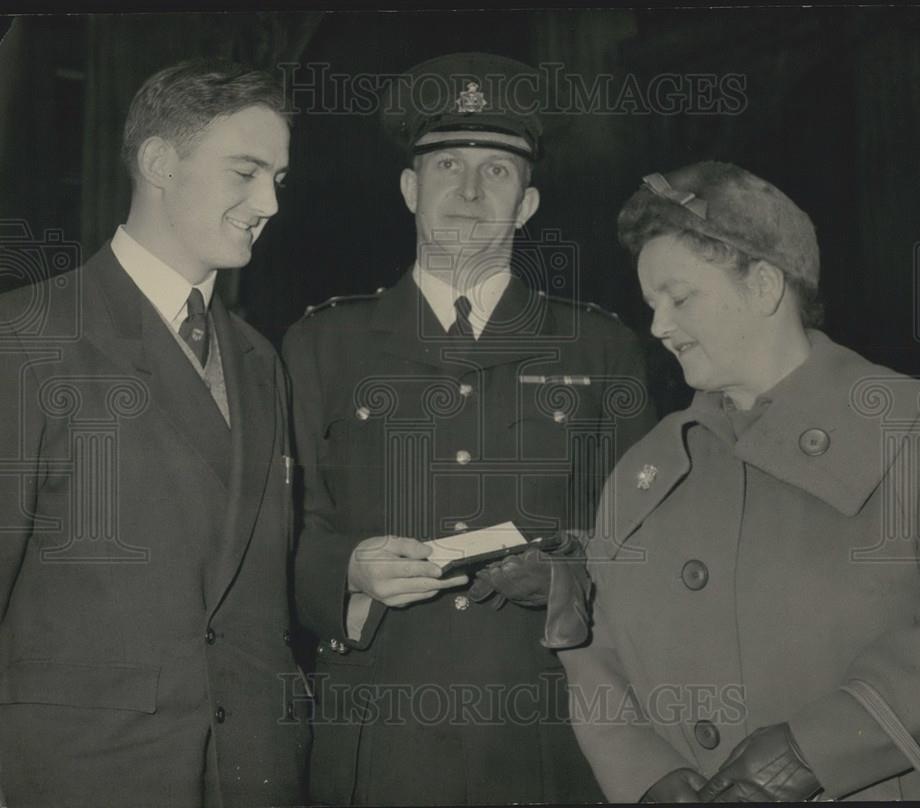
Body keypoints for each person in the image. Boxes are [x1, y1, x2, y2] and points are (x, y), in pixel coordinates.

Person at [559, 161, 920, 802]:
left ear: (764, 286)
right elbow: (595, 651)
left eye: (680, 299)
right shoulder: (647, 467)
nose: (658, 327)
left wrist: (817, 748)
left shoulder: (910, 427)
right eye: (652, 305)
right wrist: (645, 776)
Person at [283, 52, 657, 806]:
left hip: (543, 734)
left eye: (497, 171)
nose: (469, 190)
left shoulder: (599, 348)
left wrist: (564, 581)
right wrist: (347, 570)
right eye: (448, 164)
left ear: (527, 204)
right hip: (380, 734)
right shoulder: (323, 345)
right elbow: (276, 535)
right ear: (409, 189)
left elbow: (644, 545)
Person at [0, 59, 308, 807]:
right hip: (87, 774)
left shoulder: (261, 359)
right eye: (245, 172)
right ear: (159, 162)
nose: (268, 201)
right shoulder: (29, 337)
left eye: (278, 178)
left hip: (253, 771)